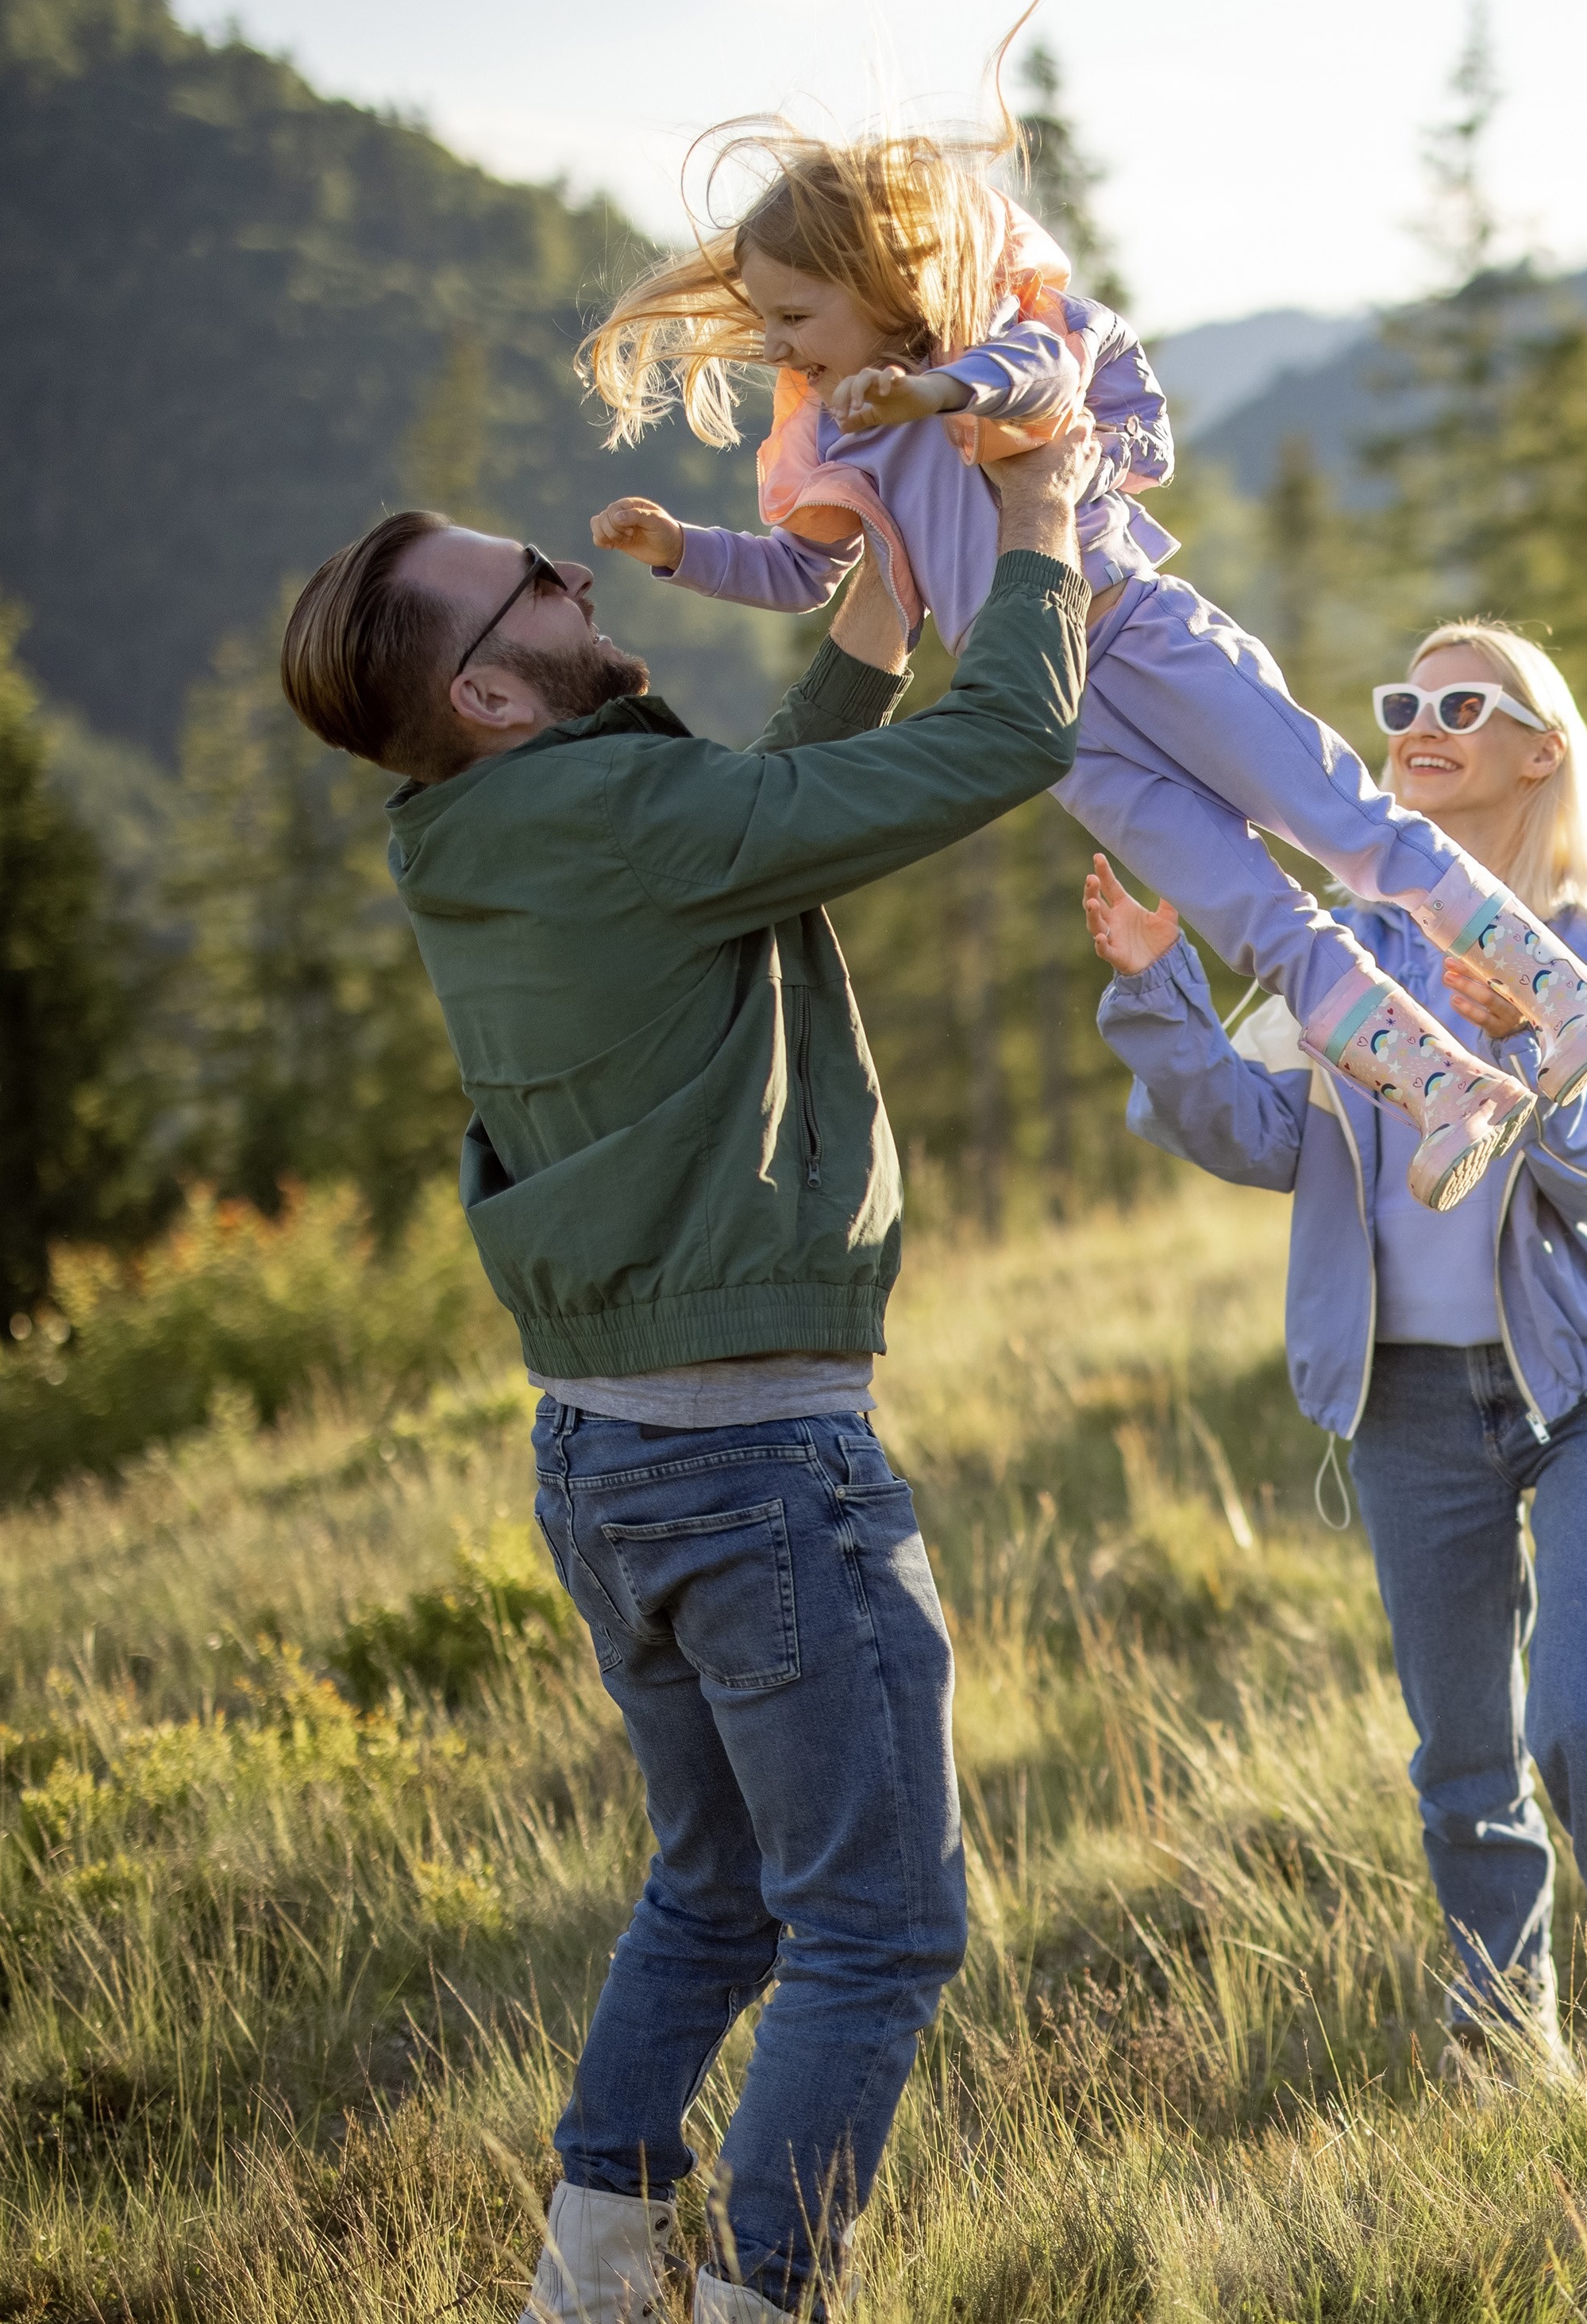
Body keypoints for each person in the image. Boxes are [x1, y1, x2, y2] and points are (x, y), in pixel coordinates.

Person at [278, 423, 1110, 2322]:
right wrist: (1041, 533)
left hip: (613, 1459)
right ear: (488, 687)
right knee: (883, 1928)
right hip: (758, 1470)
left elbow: (761, 817)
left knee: (720, 1886)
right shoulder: (602, 820)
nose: (579, 582)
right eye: (535, 589)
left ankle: (594, 2271)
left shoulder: (498, 833)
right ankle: (758, 2296)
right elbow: (1002, 753)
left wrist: (885, 593)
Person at [576, 112, 1587, 1212]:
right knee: (1256, 923)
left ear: (884, 282)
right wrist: (678, 552)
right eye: (771, 325)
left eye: (798, 315)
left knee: (1349, 831)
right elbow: (799, 573)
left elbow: (1035, 379)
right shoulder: (843, 440)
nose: (783, 347)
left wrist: (933, 393)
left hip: (1143, 638)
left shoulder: (1006, 336)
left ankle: (1566, 997)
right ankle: (1447, 1091)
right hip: (1060, 722)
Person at [1085, 621, 1587, 2089]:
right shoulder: (1350, 949)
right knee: (1462, 1767)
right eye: (1399, 703)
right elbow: (1253, 1135)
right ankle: (1507, 2064)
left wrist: (1542, 1057)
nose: (1416, 722)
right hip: (1412, 1402)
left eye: (1460, 703)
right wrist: (1159, 989)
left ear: (1540, 751)